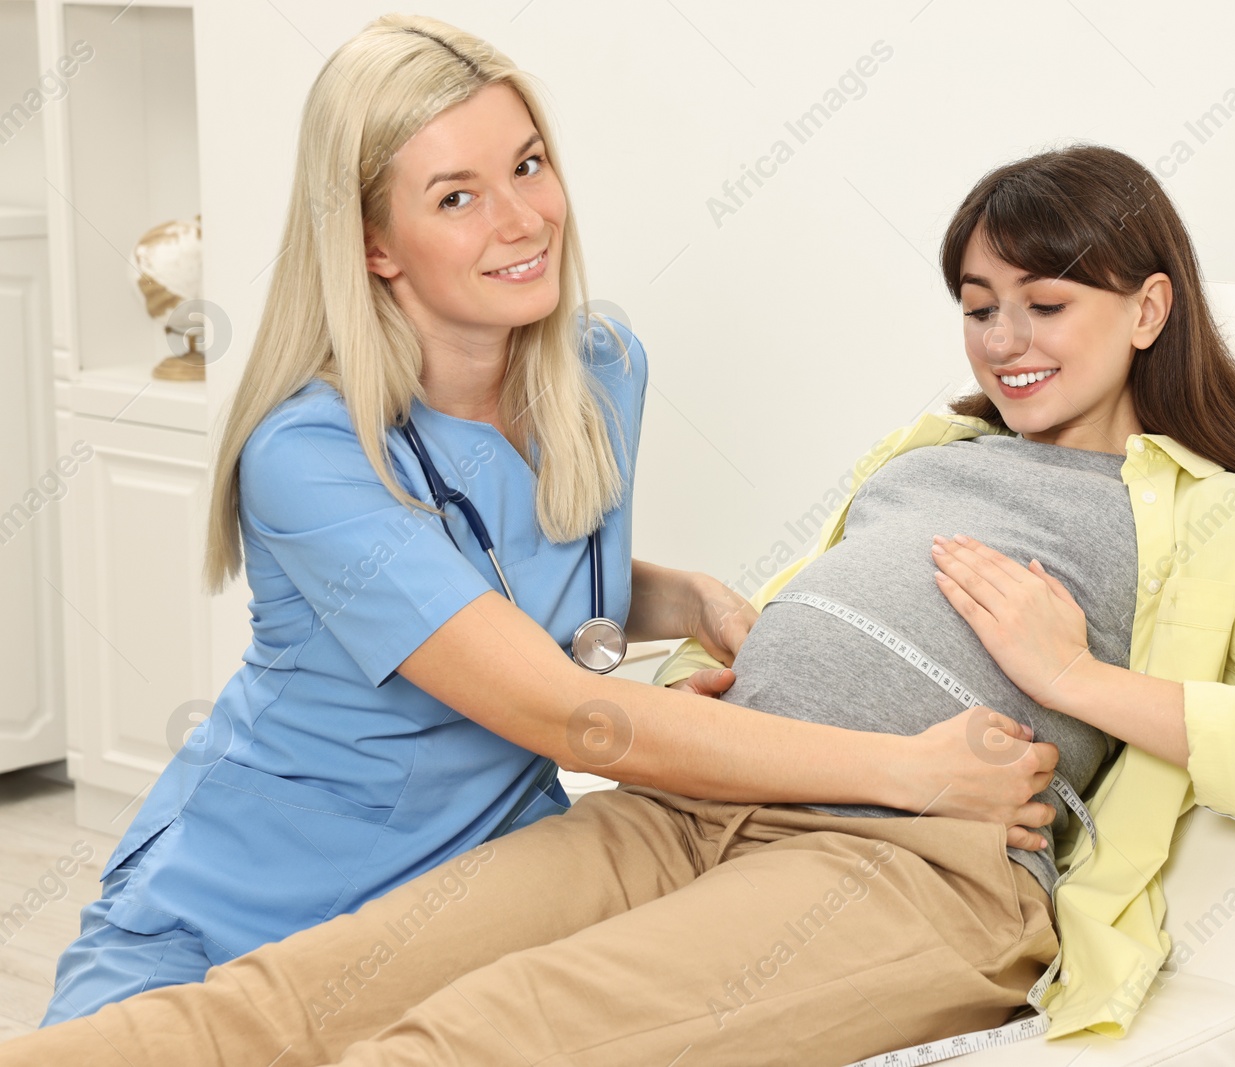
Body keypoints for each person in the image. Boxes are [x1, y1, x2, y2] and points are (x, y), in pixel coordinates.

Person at [2, 138, 1235, 1065]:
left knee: (464, 1042)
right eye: (980, 303)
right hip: (686, 809)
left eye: (1047, 303)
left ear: (1151, 310)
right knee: (285, 997)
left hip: (909, 869)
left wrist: (1081, 675)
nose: (1006, 340)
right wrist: (708, 647)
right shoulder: (934, 448)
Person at [36, 13, 1057, 1028]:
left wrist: (681, 594)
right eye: (456, 197)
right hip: (245, 913)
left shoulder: (602, 366)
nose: (522, 221)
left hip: (484, 884)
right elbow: (572, 716)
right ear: (373, 245)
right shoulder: (309, 454)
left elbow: (521, 566)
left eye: (528, 165)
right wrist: (914, 773)